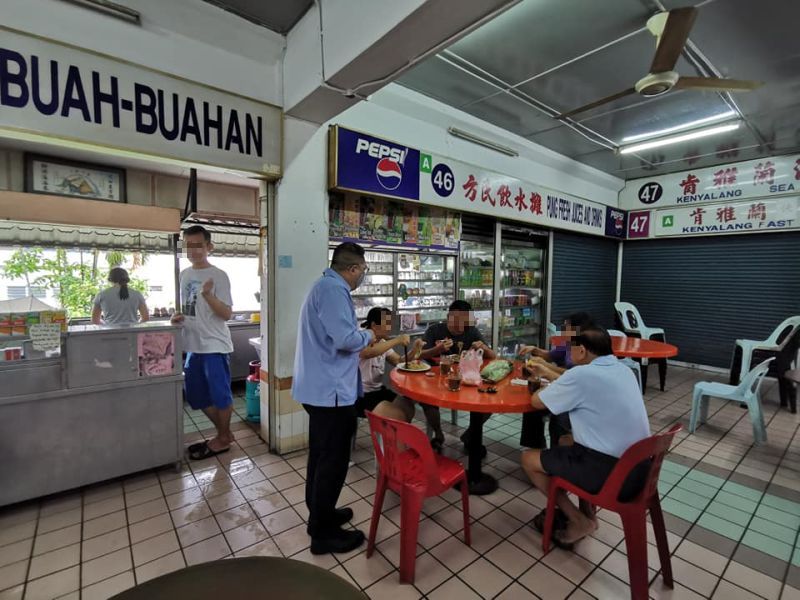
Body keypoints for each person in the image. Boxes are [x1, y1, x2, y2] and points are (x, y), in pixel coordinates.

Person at [521, 327, 650, 549]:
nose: (569, 353)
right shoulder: (624, 370)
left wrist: (538, 382)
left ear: (581, 350)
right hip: (641, 471)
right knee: (564, 441)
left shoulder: (582, 374)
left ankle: (578, 520)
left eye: (571, 348)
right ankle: (588, 511)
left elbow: (536, 402)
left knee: (528, 459)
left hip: (613, 475)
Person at [292, 242, 375, 555]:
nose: (362, 277)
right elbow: (346, 340)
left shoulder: (323, 286)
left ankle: (321, 514)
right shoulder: (333, 290)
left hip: (321, 389)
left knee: (321, 457)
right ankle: (323, 534)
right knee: (333, 462)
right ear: (353, 269)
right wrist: (369, 335)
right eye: (362, 271)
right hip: (331, 394)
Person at [171, 226, 234, 461]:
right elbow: (187, 308)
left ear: (209, 246)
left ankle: (223, 438)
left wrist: (208, 295)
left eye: (198, 245)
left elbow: (227, 313)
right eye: (189, 245)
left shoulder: (218, 275)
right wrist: (178, 317)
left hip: (214, 346)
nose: (193, 250)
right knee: (196, 395)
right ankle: (225, 434)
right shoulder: (185, 274)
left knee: (221, 397)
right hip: (193, 345)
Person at [418, 300, 496, 453]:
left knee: (489, 401)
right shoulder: (435, 330)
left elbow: (493, 356)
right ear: (448, 317)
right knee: (427, 401)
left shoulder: (472, 331)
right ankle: (438, 435)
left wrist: (484, 348)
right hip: (435, 378)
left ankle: (469, 435)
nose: (460, 324)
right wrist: (437, 349)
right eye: (456, 320)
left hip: (463, 379)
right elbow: (420, 354)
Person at [518, 312, 594, 449]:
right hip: (561, 387)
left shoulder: (586, 350)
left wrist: (545, 368)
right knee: (532, 408)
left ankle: (558, 453)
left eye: (566, 327)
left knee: (558, 416)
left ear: (578, 329)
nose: (563, 330)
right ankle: (535, 447)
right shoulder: (569, 343)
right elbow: (550, 356)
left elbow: (575, 376)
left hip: (576, 395)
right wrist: (535, 350)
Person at [355, 307, 410, 417]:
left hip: (378, 390)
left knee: (408, 407)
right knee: (398, 415)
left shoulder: (383, 342)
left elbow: (399, 361)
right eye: (387, 323)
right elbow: (369, 352)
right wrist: (398, 339)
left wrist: (416, 350)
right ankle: (388, 432)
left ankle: (392, 432)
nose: (390, 327)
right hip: (361, 395)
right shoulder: (361, 339)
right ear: (374, 325)